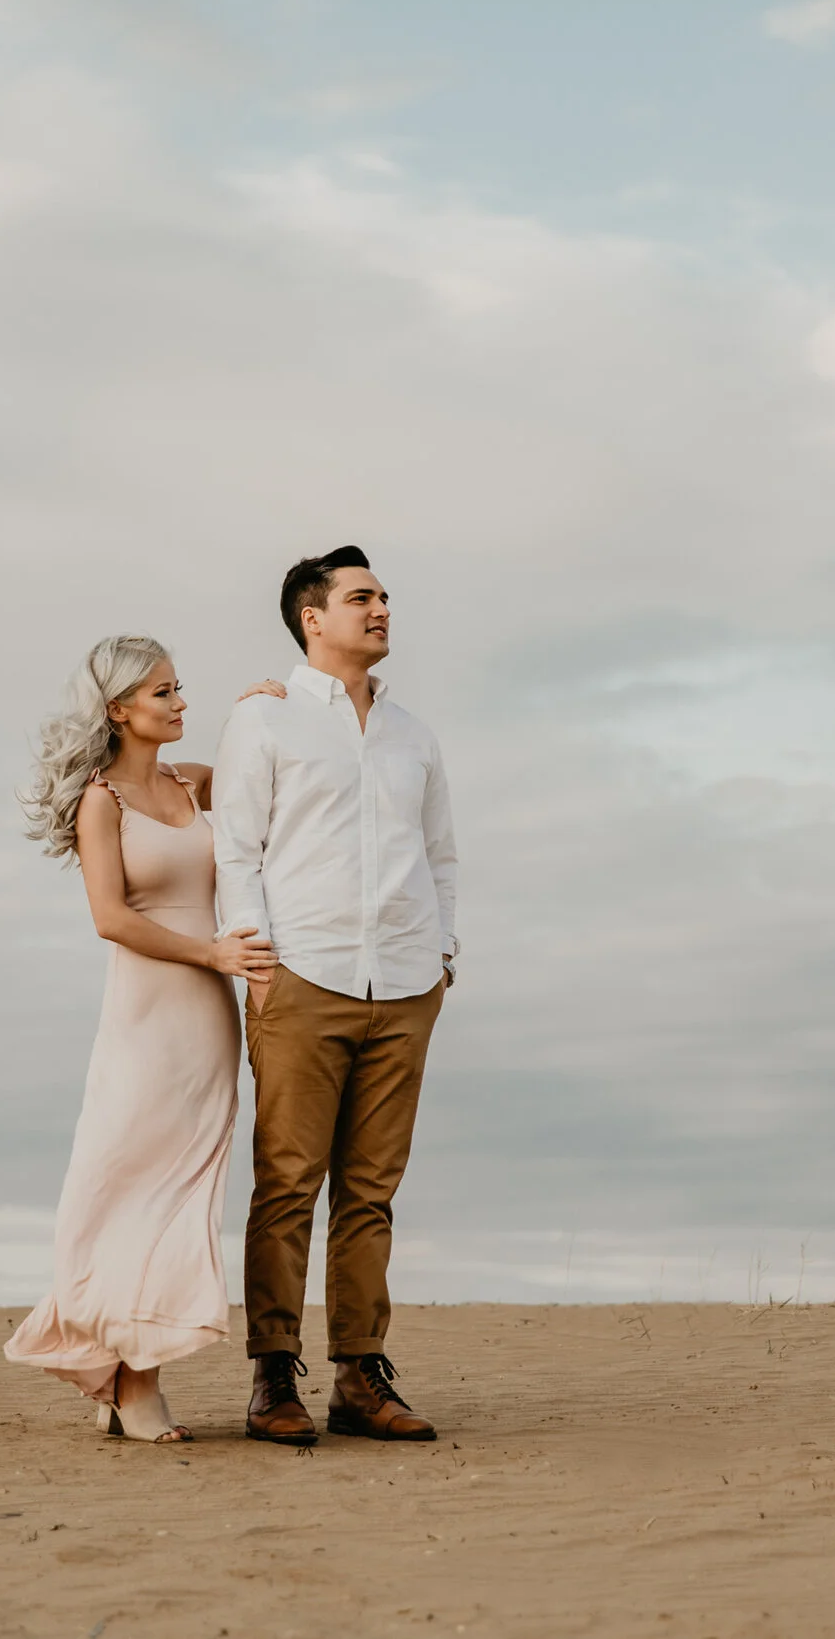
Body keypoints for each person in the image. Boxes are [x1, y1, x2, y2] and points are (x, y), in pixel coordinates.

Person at [3, 637, 284, 1442]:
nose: (178, 703)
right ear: (120, 708)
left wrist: (258, 709)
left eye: (180, 688)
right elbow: (111, 918)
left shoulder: (192, 784)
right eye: (163, 692)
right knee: (123, 1186)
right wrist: (213, 953)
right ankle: (130, 1380)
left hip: (208, 1023)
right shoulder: (103, 801)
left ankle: (126, 1366)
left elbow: (265, 775)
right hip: (146, 1019)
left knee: (182, 1194)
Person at [211, 547, 457, 1445]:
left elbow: (442, 856)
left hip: (403, 982)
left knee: (371, 1190)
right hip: (301, 975)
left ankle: (361, 1373)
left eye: (386, 595)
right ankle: (273, 1374)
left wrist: (444, 951)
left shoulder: (413, 736)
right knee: (285, 1181)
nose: (382, 607)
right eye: (362, 597)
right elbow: (238, 846)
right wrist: (253, 949)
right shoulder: (265, 723)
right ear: (313, 617)